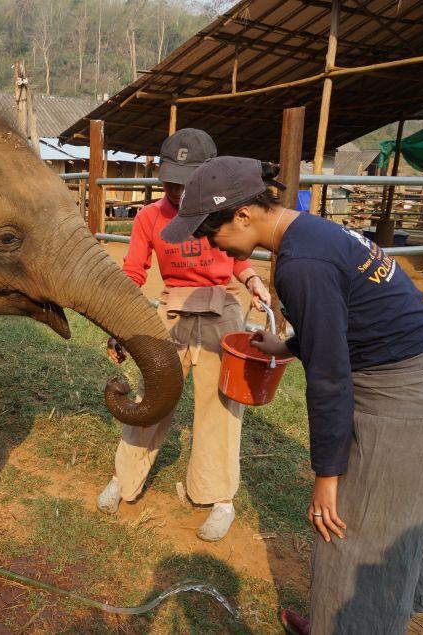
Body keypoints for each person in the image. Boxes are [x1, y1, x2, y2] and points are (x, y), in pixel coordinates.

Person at [161, 155, 423, 634]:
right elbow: (354, 321)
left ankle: (348, 625)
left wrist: (327, 474)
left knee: (350, 532)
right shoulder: (312, 232)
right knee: (387, 523)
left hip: (407, 400)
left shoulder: (300, 264)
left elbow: (331, 376)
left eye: (207, 231)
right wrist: (290, 344)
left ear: (242, 215)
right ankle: (335, 623)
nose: (204, 242)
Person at [98, 129, 271, 543]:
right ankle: (125, 478)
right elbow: (134, 271)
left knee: (220, 405)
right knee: (153, 396)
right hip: (171, 311)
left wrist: (252, 281)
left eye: (185, 180)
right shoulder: (148, 217)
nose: (176, 189)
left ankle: (219, 498)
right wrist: (121, 323)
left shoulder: (221, 210)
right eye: (170, 179)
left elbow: (236, 258)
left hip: (221, 309)